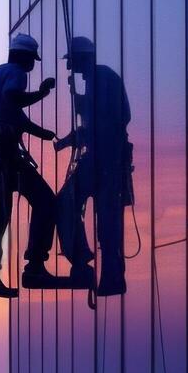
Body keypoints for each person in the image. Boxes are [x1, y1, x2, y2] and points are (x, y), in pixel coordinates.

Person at [0, 32, 70, 297]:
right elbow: (13, 97)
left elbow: (15, 115)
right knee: (46, 202)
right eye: (33, 60)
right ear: (24, 56)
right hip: (3, 154)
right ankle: (35, 265)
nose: (33, 66)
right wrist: (41, 93)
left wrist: (44, 134)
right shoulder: (15, 73)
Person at [53, 36, 131, 295]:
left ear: (81, 59)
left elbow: (112, 119)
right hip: (101, 158)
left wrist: (84, 104)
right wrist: (67, 139)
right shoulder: (99, 79)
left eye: (71, 61)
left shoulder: (103, 78)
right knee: (77, 205)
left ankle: (106, 272)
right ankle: (92, 264)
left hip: (106, 160)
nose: (69, 67)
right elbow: (95, 124)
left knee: (93, 213)